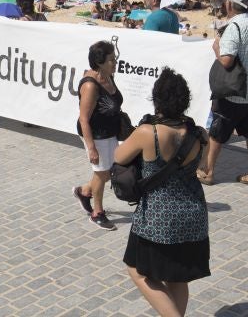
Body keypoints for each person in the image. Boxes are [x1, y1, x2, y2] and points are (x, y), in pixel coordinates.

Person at [115, 68, 209, 317]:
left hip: (157, 220)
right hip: (193, 217)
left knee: (137, 271)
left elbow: (118, 157)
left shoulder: (149, 132)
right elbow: (205, 168)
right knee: (177, 279)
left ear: (157, 100)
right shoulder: (200, 134)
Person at [197, 0, 248, 188]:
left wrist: (217, 49)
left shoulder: (234, 27)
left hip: (233, 91)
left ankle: (208, 171)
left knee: (217, 132)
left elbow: (227, 61)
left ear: (229, 4)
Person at [73, 40, 122, 231]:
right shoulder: (90, 85)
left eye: (115, 59)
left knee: (108, 172)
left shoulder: (109, 76)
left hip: (110, 132)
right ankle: (97, 213)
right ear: (99, 62)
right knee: (102, 174)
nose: (115, 63)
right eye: (111, 60)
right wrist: (91, 147)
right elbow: (84, 119)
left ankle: (84, 191)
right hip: (95, 134)